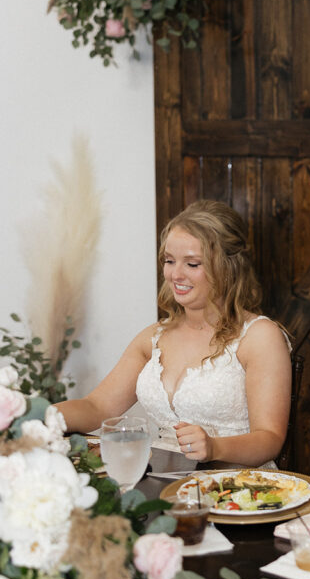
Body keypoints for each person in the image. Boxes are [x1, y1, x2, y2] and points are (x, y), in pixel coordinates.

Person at [57, 200, 292, 466]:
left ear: (229, 267)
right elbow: (97, 407)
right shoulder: (154, 337)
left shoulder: (259, 336)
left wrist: (215, 448)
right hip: (161, 484)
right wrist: (38, 417)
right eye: (169, 261)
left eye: (192, 264)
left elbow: (270, 438)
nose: (175, 274)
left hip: (236, 489)